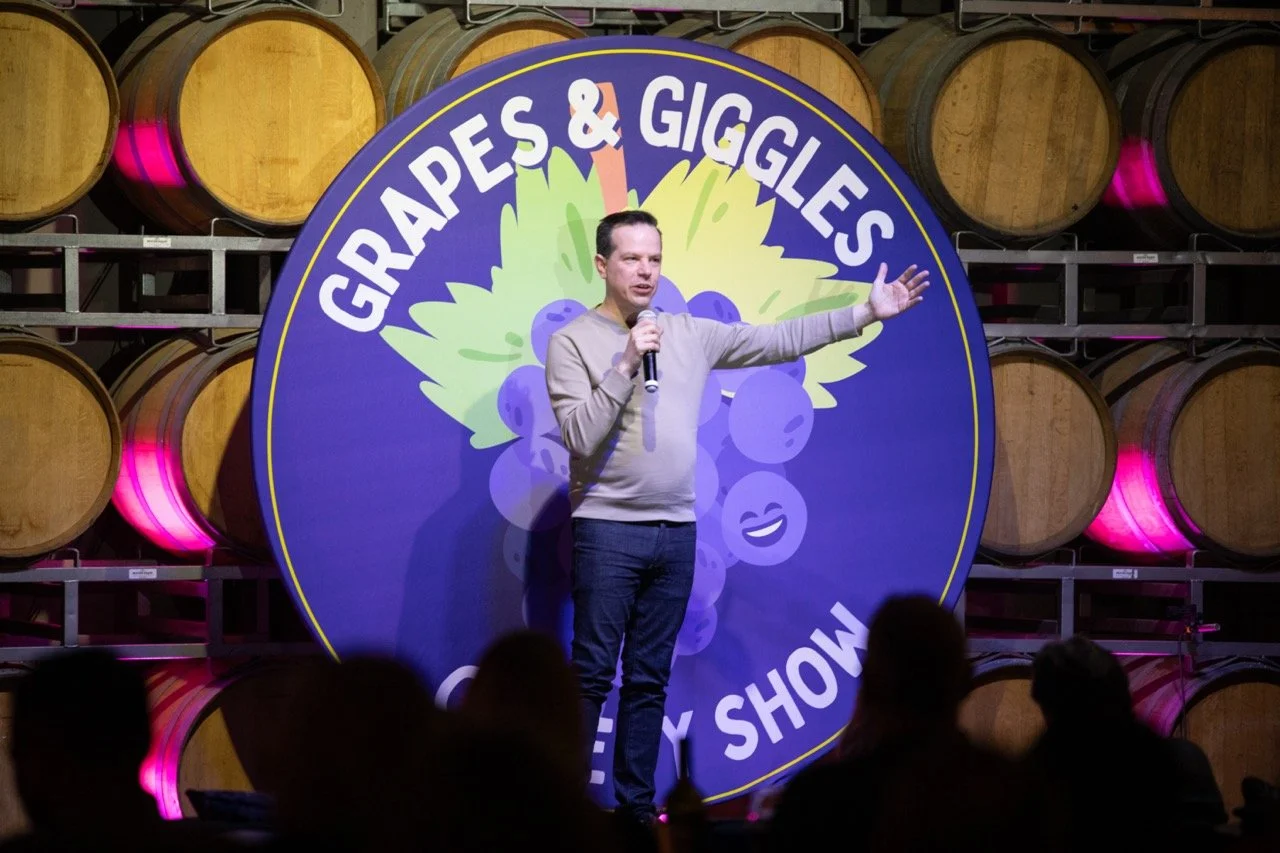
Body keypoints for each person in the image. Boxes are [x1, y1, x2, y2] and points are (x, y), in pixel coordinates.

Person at [543, 209, 929, 825]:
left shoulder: (690, 334)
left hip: (675, 534)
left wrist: (863, 314)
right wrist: (623, 365)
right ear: (602, 266)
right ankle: (565, 810)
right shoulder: (571, 343)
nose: (645, 271)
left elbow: (775, 341)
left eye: (654, 259)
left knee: (648, 679)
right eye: (631, 259)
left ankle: (636, 812)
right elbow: (581, 436)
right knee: (591, 674)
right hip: (609, 531)